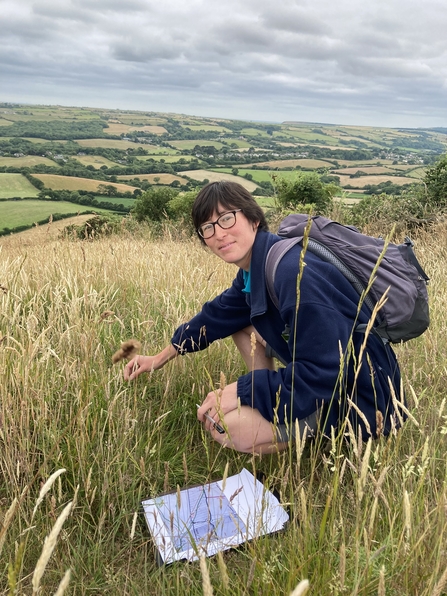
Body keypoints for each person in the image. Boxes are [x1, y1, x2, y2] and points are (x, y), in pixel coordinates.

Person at [124, 181, 403, 454]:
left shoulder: (292, 273)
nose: (218, 233)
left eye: (226, 218)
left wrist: (243, 391)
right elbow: (217, 316)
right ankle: (277, 403)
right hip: (328, 378)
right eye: (207, 227)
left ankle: (318, 430)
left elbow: (321, 376)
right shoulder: (260, 265)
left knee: (225, 427)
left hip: (361, 395)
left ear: (254, 219)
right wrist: (157, 359)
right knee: (239, 322)